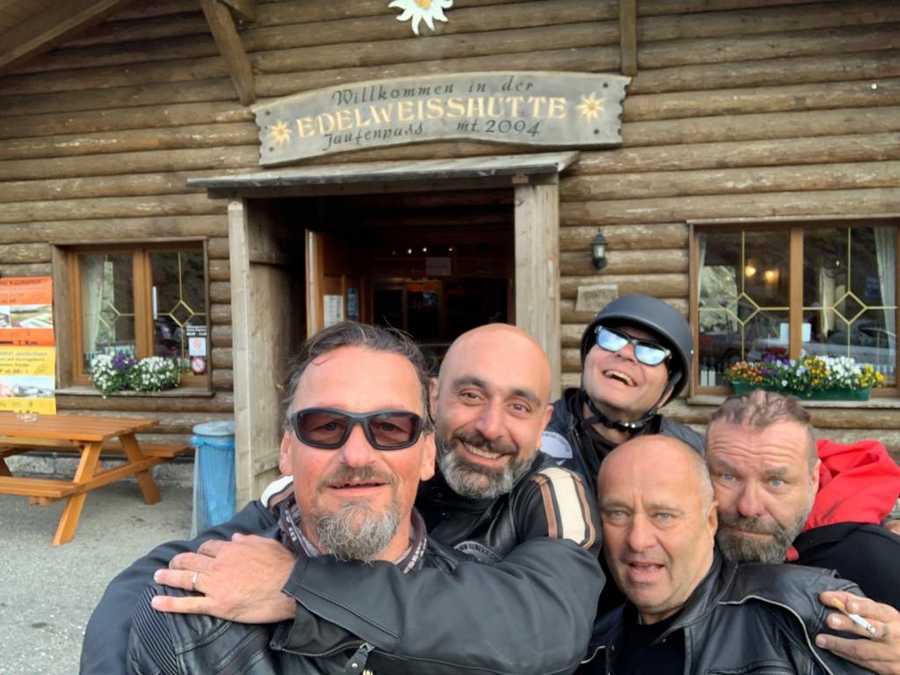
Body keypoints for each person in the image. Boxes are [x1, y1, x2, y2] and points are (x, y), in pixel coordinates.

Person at [82, 322, 602, 675]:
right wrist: (135, 622)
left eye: (390, 427)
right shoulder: (357, 474)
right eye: (325, 426)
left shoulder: (549, 490)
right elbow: (199, 558)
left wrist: (300, 586)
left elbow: (551, 623)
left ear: (544, 419)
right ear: (435, 400)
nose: (490, 426)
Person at [126, 322, 447, 672]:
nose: (357, 456)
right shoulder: (186, 625)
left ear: (428, 453)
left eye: (390, 427)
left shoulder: (480, 606)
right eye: (326, 426)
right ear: (286, 450)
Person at [579, 434, 871, 674]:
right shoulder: (588, 648)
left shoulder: (805, 612)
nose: (638, 540)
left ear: (710, 521)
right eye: (617, 513)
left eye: (663, 515)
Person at [706, 390, 900, 608]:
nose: (748, 507)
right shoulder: (683, 539)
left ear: (813, 479)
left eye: (776, 482)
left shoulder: (882, 562)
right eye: (728, 477)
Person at [541, 294, 704, 497]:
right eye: (612, 337)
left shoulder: (694, 455)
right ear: (588, 354)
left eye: (650, 351)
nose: (625, 353)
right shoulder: (532, 436)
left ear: (668, 389)